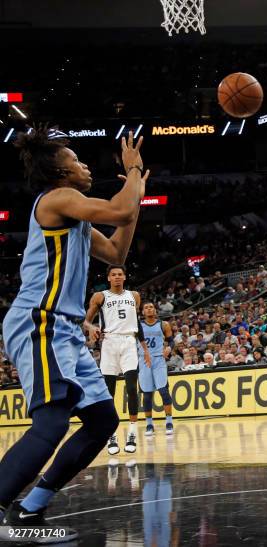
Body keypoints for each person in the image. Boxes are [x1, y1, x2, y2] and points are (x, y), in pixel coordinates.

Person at [0, 128, 147, 537]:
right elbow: (119, 209)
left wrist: (133, 199)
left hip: (64, 329)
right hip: (40, 320)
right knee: (51, 424)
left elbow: (117, 251)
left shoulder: (75, 215)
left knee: (102, 420)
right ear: (59, 170)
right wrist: (132, 170)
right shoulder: (57, 199)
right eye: (76, 159)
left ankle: (29, 509)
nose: (84, 165)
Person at [86, 264, 150, 455]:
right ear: (108, 278)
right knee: (109, 392)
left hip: (129, 342)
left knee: (132, 388)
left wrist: (145, 348)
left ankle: (132, 433)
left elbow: (136, 322)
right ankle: (111, 435)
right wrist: (90, 329)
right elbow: (86, 320)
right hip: (110, 343)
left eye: (120, 274)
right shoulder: (100, 296)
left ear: (124, 277)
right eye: (113, 274)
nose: (116, 277)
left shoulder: (134, 296)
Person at [139, 302, 174, 436]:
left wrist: (169, 347)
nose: (149, 309)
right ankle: (149, 424)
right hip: (143, 360)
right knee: (147, 395)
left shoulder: (163, 324)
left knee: (164, 391)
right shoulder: (138, 326)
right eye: (146, 307)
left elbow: (171, 341)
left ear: (155, 310)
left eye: (151, 307)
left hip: (159, 359)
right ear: (143, 312)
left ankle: (169, 421)